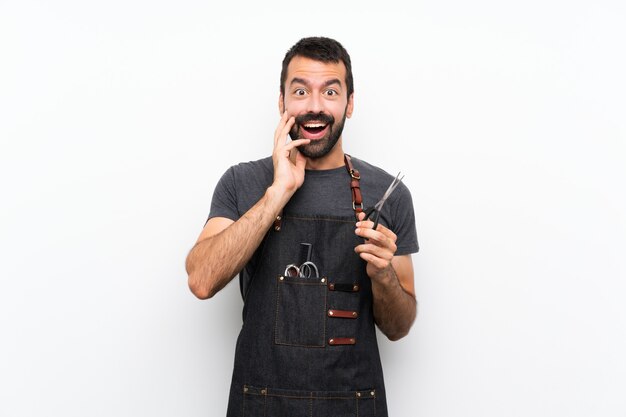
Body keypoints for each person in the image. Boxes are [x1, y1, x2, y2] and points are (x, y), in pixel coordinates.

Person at [186, 36, 419, 417]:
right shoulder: (242, 182)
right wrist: (278, 193)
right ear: (282, 103)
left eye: (330, 91)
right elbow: (201, 280)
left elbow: (399, 326)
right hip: (261, 403)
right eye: (300, 91)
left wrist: (383, 276)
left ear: (350, 103)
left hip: (352, 405)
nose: (315, 106)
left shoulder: (388, 194)